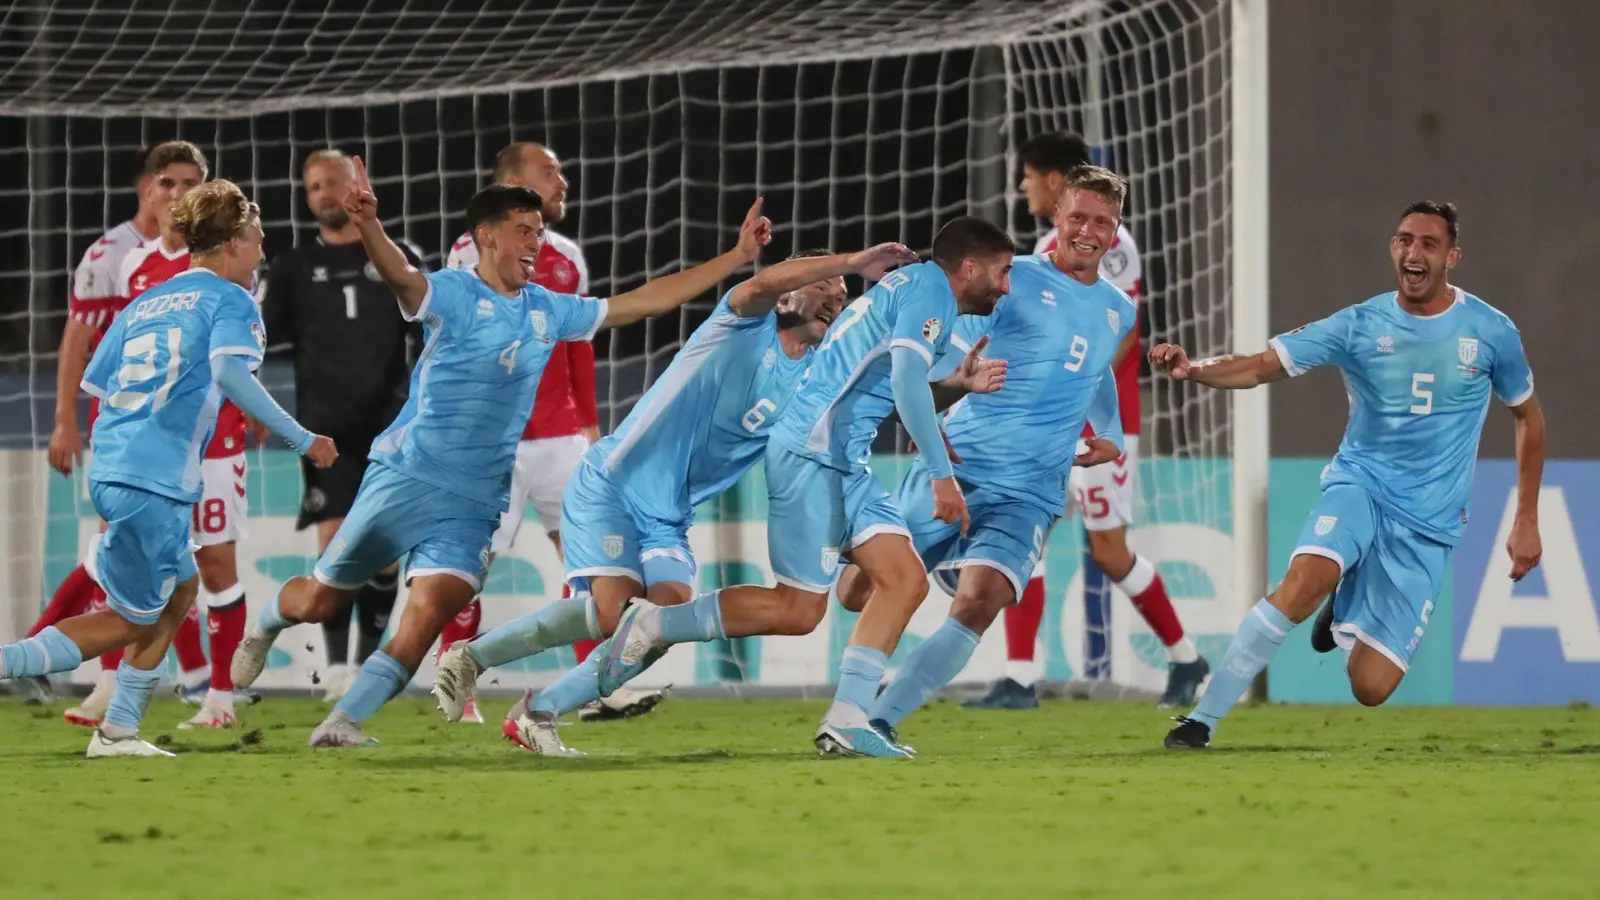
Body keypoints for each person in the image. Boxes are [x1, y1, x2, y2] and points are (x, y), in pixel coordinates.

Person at [230, 160, 773, 748]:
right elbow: (403, 278)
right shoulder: (456, 292)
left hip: (474, 501)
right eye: (523, 230)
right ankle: (265, 625)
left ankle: (342, 723)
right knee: (320, 598)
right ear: (488, 236)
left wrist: (735, 258)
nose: (535, 242)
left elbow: (642, 302)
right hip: (407, 475)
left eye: (539, 231)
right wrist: (368, 227)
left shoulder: (547, 307)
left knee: (426, 615)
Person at [431, 243, 916, 755]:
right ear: (786, 297)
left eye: (843, 298)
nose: (835, 300)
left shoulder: (815, 379)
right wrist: (849, 263)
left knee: (658, 622)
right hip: (613, 485)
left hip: (668, 515)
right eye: (823, 287)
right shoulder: (741, 324)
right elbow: (760, 283)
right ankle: (479, 661)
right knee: (616, 614)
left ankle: (532, 707)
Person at [596, 217, 1014, 759]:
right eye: (1002, 273)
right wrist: (941, 475)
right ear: (969, 267)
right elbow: (905, 384)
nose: (1004, 287)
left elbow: (891, 384)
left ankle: (846, 719)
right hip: (813, 455)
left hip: (845, 461)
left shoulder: (913, 288)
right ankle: (655, 622)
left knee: (905, 580)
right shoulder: (929, 292)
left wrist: (956, 386)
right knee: (799, 610)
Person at [1158, 201, 1544, 749]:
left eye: (1429, 244)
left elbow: (1528, 416)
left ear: (1452, 256)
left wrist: (1526, 517)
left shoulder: (1490, 331)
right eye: (1404, 240)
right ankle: (1202, 719)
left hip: (1428, 524)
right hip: (1361, 486)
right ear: (1393, 248)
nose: (1413, 252)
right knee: (1301, 584)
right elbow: (1260, 365)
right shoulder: (1360, 323)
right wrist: (1191, 368)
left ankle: (1346, 597)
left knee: (1370, 686)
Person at [0, 180, 336, 757]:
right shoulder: (230, 301)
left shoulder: (147, 299)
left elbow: (98, 382)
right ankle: (64, 698)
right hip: (151, 481)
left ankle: (120, 729)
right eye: (256, 240)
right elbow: (231, 377)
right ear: (230, 243)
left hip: (115, 468)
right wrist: (301, 439)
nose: (262, 253)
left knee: (182, 588)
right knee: (129, 620)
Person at [832, 166, 1134, 744]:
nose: (1088, 231)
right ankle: (856, 695)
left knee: (982, 600)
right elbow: (945, 338)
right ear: (1058, 217)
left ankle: (875, 720)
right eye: (1077, 217)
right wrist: (954, 380)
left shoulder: (1118, 309)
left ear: (1116, 229)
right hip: (964, 462)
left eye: (1103, 221)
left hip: (1034, 490)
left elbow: (1094, 366)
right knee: (857, 591)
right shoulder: (1012, 277)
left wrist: (1113, 433)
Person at [970, 130, 1206, 711]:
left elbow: (1120, 334)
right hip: (1050, 424)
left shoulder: (1110, 243)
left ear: (1052, 180)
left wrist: (1077, 404)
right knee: (1029, 538)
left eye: (1027, 175)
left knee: (1108, 552)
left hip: (1103, 423)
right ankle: (1020, 677)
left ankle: (1186, 657)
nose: (1021, 186)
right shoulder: (1049, 248)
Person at [441, 142, 640, 724]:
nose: (563, 180)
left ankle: (594, 688)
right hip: (496, 443)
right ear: (514, 182)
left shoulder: (568, 256)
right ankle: (460, 686)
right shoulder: (464, 256)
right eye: (550, 171)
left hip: (562, 440)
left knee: (594, 563)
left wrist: (591, 427)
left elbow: (579, 344)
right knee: (467, 572)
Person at [259, 149, 423, 703]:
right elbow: (255, 341)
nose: (323, 195)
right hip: (325, 431)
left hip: (392, 429)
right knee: (335, 544)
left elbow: (432, 336)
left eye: (332, 183)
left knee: (384, 553)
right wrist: (251, 406)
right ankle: (334, 670)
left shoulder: (400, 257)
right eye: (312, 188)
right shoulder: (291, 267)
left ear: (358, 184)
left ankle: (370, 660)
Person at [23, 148, 162, 707]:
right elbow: (77, 340)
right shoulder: (112, 254)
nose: (180, 195)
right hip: (123, 426)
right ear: (146, 187)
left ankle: (39, 652)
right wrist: (65, 422)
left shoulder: (196, 253)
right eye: (170, 184)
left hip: (171, 427)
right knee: (124, 550)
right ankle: (110, 683)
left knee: (144, 553)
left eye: (192, 184)